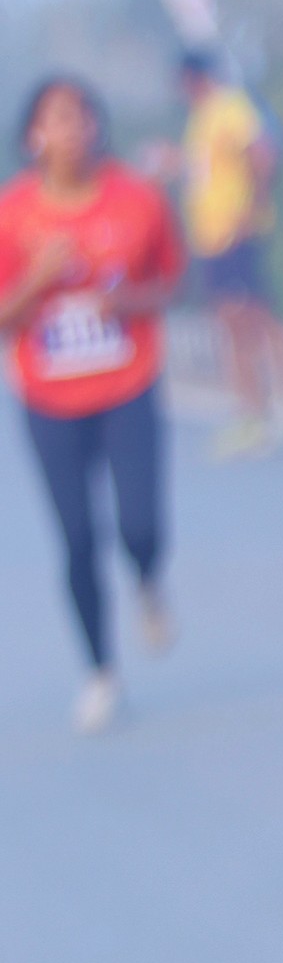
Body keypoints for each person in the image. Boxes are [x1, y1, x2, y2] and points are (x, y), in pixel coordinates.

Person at [0, 75, 186, 732]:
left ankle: (148, 579)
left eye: (83, 117)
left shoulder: (138, 200)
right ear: (34, 136)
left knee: (139, 525)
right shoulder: (13, 214)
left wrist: (128, 301)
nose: (74, 130)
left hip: (127, 384)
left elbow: (171, 282)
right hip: (50, 398)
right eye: (58, 119)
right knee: (78, 538)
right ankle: (101, 672)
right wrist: (39, 279)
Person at [175, 50, 283, 453]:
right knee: (232, 324)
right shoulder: (202, 116)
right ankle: (252, 415)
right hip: (212, 238)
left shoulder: (229, 106)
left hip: (237, 233)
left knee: (259, 318)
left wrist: (252, 208)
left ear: (192, 78)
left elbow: (262, 153)